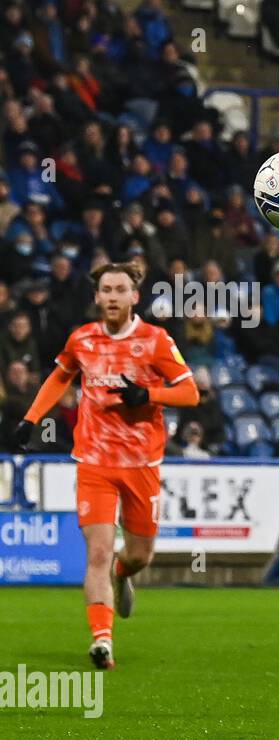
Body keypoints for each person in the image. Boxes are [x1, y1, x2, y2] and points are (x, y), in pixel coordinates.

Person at [7, 261, 199, 670]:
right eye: (106, 290)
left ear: (135, 296)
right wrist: (31, 418)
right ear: (97, 297)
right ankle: (102, 640)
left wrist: (146, 395)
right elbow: (61, 377)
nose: (112, 296)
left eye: (120, 289)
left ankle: (123, 570)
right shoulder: (83, 339)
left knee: (140, 555)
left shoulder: (156, 341)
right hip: (94, 462)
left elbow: (190, 392)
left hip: (141, 463)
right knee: (96, 552)